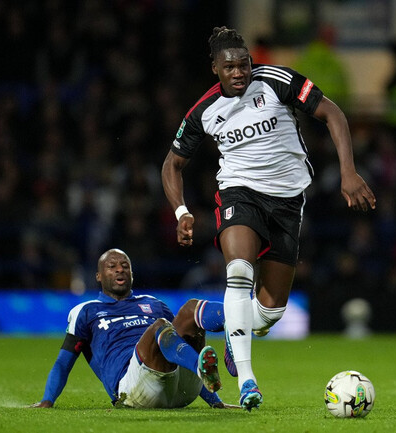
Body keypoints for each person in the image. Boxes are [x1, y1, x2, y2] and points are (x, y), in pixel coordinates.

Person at [161, 26, 376, 410]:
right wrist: (181, 211)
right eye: (231, 67)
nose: (241, 72)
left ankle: (205, 315)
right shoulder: (203, 111)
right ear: (216, 68)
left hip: (289, 202)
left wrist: (348, 171)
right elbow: (172, 165)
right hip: (239, 194)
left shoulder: (277, 80)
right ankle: (247, 381)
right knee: (239, 272)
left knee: (266, 315)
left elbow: (333, 113)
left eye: (245, 64)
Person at [31, 248, 239, 409]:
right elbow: (63, 363)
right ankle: (200, 366)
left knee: (191, 309)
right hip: (133, 389)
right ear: (98, 276)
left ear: (132, 273)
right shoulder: (86, 311)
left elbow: (180, 347)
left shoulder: (154, 304)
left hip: (181, 389)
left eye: (125, 265)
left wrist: (216, 402)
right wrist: (47, 400)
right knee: (160, 327)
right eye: (112, 266)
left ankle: (233, 321)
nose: (120, 269)